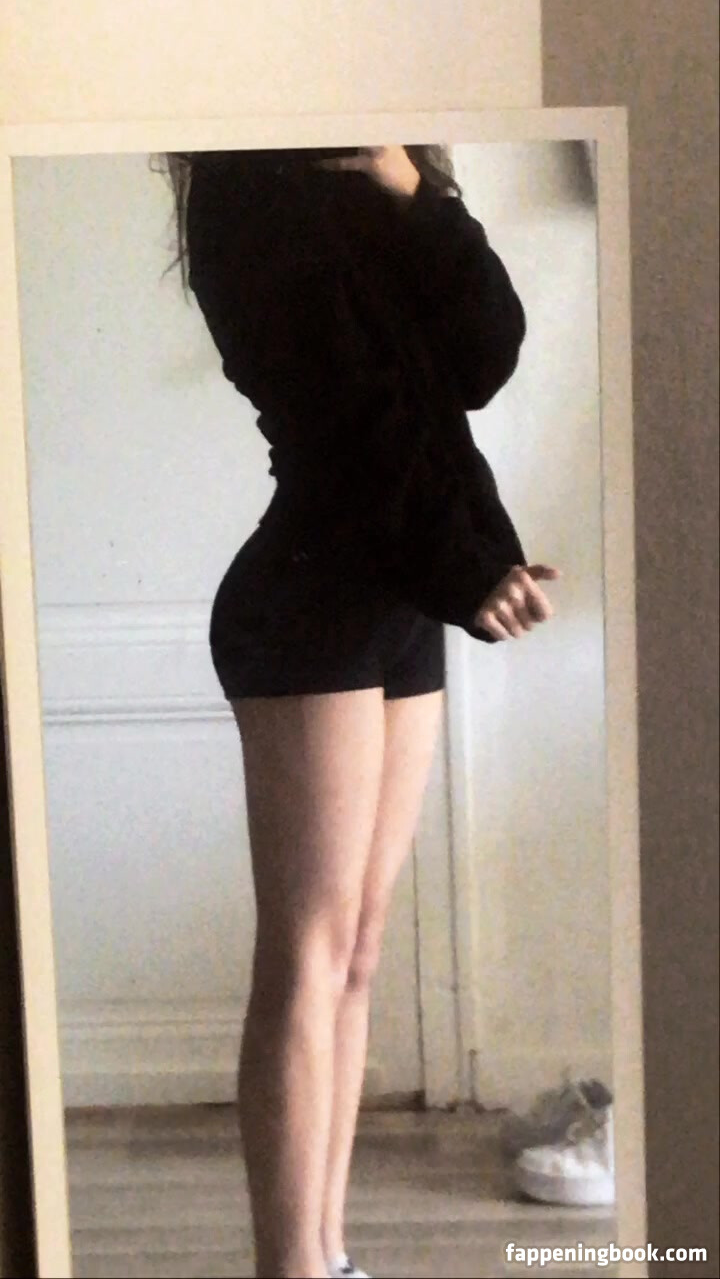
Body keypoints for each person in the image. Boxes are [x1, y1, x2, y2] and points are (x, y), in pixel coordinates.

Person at [161, 144, 560, 1279]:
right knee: (309, 953)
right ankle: (291, 1265)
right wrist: (468, 565)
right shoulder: (247, 186)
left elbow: (482, 359)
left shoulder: (387, 177)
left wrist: (412, 187)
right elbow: (351, 416)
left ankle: (328, 1257)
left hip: (399, 594)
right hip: (312, 599)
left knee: (360, 948)